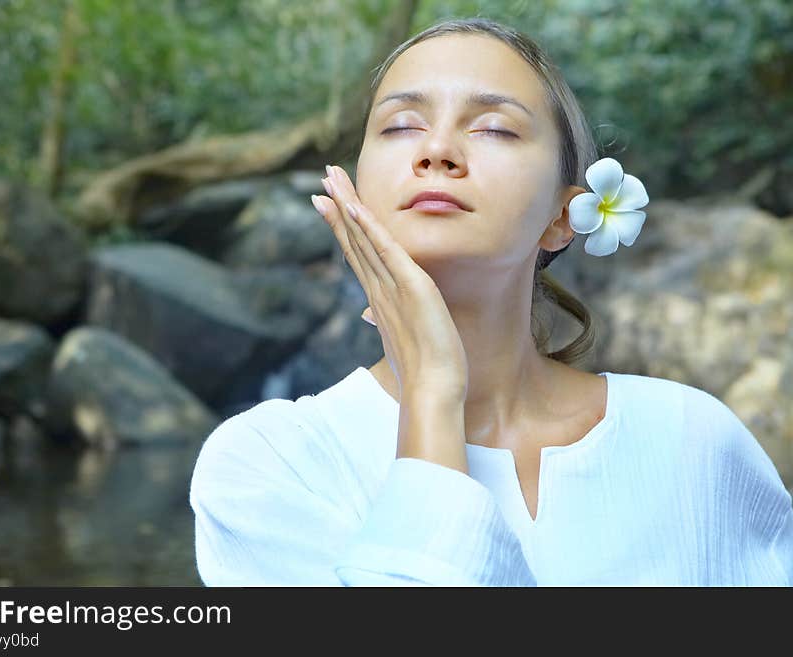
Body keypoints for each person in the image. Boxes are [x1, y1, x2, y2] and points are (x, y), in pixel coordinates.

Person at [188, 17, 793, 586]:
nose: (437, 151)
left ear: (564, 214)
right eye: (400, 126)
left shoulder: (691, 442)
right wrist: (430, 394)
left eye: (496, 128)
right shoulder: (267, 464)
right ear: (355, 187)